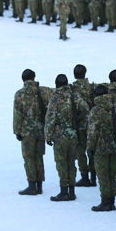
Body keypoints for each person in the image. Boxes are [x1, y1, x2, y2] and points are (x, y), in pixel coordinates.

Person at [45, 74, 89, 202]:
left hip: (60, 137)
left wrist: (48, 135)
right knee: (71, 163)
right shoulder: (74, 96)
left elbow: (50, 119)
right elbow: (86, 109)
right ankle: (72, 191)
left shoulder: (54, 99)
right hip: (73, 135)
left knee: (62, 164)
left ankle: (64, 191)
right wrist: (78, 122)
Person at [14, 69, 53, 196]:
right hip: (41, 130)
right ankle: (40, 185)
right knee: (39, 157)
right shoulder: (44, 91)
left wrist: (17, 131)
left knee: (29, 158)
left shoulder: (20, 94)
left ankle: (32, 185)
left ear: (23, 79)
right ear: (34, 77)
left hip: (27, 132)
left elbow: (17, 115)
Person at [87, 84, 116, 212]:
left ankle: (105, 201)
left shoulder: (95, 111)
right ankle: (112, 201)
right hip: (115, 146)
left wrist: (90, 148)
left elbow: (92, 132)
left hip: (100, 148)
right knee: (112, 174)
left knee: (103, 175)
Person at [72, 64, 96, 187]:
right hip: (92, 123)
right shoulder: (91, 87)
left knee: (81, 151)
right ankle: (93, 176)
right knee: (92, 149)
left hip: (80, 124)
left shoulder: (73, 89)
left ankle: (85, 177)